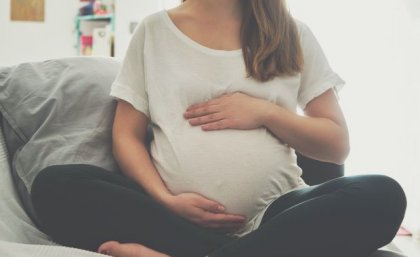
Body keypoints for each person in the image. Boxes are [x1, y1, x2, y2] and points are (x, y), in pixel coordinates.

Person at [30, 0, 407, 257]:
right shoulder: (155, 32)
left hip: (274, 216)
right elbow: (126, 136)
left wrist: (265, 113)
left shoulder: (292, 33)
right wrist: (164, 199)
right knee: (54, 186)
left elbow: (336, 145)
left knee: (383, 195)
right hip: (171, 217)